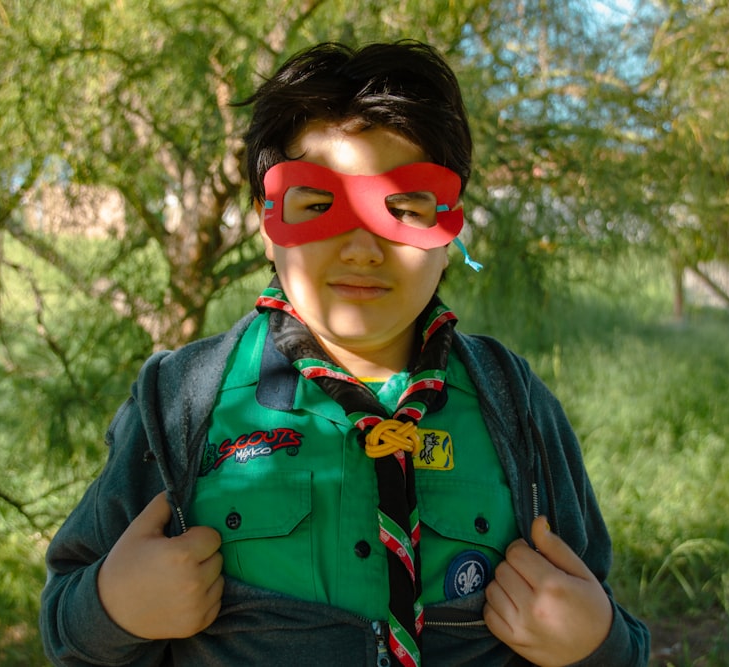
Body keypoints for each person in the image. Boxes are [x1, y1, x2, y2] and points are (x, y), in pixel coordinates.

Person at [39, 40, 650, 667]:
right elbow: (66, 625)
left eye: (404, 208)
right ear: (267, 218)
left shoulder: (513, 405)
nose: (361, 249)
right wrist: (110, 609)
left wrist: (597, 643)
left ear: (449, 226)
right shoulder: (181, 401)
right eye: (318, 205)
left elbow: (599, 612)